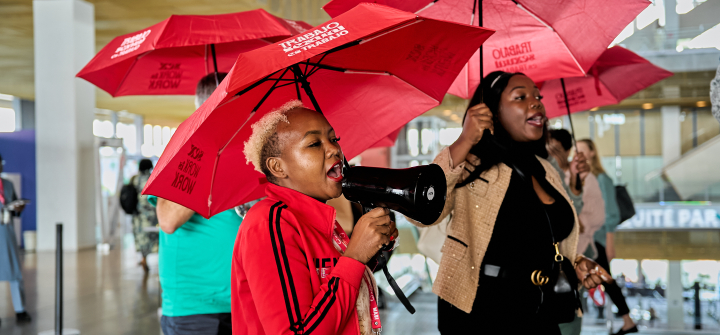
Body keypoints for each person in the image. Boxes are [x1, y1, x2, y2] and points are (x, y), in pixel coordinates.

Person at [409, 71, 609, 334]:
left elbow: (538, 239)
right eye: (520, 97)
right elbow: (421, 211)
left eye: (537, 96)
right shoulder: (472, 164)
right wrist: (465, 139)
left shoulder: (545, 170)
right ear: (492, 112)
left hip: (540, 310)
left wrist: (574, 265)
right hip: (482, 313)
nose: (536, 102)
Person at [231, 100, 398, 335]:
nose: (333, 149)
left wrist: (372, 249)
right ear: (278, 167)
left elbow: (331, 288)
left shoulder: (317, 218)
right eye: (314, 143)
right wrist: (355, 256)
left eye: (333, 139)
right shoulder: (269, 223)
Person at [150, 72, 242, 335]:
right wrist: (212, 156)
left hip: (241, 300)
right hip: (196, 308)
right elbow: (168, 219)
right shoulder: (184, 152)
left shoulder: (240, 155)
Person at [576, 139, 638, 335]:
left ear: (592, 153)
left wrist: (610, 243)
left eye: (582, 151)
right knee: (602, 278)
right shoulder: (583, 178)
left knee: (605, 278)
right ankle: (627, 321)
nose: (578, 155)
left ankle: (628, 320)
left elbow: (611, 214)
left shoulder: (602, 179)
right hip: (586, 238)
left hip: (598, 239)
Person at [549, 129, 605, 335]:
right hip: (554, 254)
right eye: (547, 147)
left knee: (568, 302)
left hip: (575, 253)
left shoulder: (585, 178)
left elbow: (599, 216)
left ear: (567, 151)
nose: (550, 152)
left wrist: (579, 222)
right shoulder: (546, 174)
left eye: (554, 148)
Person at [0, 153, 32, 325]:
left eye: (1, 163)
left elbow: (14, 210)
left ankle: (20, 310)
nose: (1, 166)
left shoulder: (8, 185)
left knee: (15, 272)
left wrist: (17, 208)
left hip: (7, 233)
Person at [131, 158, 159, 273]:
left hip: (139, 215)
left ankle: (143, 259)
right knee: (156, 236)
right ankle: (159, 258)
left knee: (141, 237)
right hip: (153, 214)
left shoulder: (135, 180)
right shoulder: (154, 178)